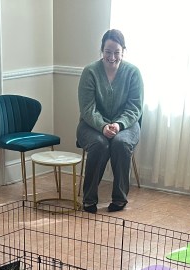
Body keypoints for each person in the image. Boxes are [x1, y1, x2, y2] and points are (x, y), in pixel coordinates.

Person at [77, 29, 144, 214]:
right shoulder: (89, 72)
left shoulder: (133, 73)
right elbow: (87, 109)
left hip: (126, 125)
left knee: (121, 143)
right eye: (108, 51)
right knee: (99, 145)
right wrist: (102, 126)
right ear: (102, 50)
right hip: (91, 125)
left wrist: (119, 124)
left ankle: (120, 198)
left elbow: (135, 108)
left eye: (116, 52)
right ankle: (89, 199)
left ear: (123, 51)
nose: (112, 57)